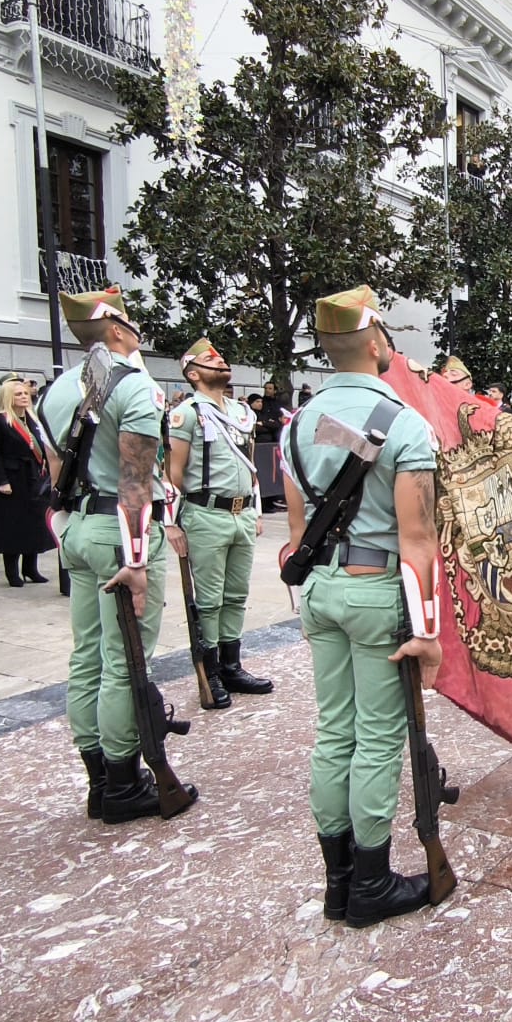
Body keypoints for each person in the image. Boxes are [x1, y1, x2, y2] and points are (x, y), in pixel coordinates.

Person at [279, 285, 445, 927]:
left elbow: (298, 534)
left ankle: (338, 879)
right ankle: (371, 885)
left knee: (334, 732)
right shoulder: (404, 424)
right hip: (379, 592)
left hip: (320, 591)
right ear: (377, 345)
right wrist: (427, 630)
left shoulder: (296, 424)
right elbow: (418, 539)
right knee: (377, 740)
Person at [41, 286, 194, 826]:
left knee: (86, 655)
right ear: (116, 330)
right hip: (120, 532)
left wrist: (64, 529)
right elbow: (135, 482)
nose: (135, 332)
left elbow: (56, 473)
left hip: (79, 528)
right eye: (129, 323)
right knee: (124, 661)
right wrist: (135, 557)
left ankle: (98, 779)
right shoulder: (135, 388)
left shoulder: (54, 391)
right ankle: (125, 782)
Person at [165, 338, 274, 708]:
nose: (221, 364)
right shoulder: (189, 414)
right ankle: (209, 671)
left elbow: (250, 466)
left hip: (241, 513)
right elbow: (173, 473)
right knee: (209, 600)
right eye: (210, 362)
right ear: (193, 374)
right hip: (205, 513)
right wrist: (171, 522)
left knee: (237, 595)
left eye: (222, 360)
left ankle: (231, 665)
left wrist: (255, 509)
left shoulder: (241, 413)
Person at [0, 375, 55, 587]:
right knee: (13, 526)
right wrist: (1, 480)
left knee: (34, 525)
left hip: (34, 477)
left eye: (25, 393)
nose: (24, 397)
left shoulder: (33, 419)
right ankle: (12, 572)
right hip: (12, 478)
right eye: (18, 394)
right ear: (8, 397)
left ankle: (30, 568)